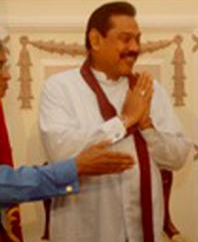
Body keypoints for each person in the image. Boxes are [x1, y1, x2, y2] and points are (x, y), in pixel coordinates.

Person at [39, 1, 190, 242]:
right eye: (125, 38)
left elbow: (179, 155)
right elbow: (62, 150)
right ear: (95, 40)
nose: (135, 48)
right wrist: (124, 121)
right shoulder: (60, 89)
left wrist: (146, 124)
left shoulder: (150, 91)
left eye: (137, 38)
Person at [0, 39, 134, 204]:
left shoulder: (146, 88)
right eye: (0, 66)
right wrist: (75, 167)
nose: (7, 75)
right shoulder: (57, 87)